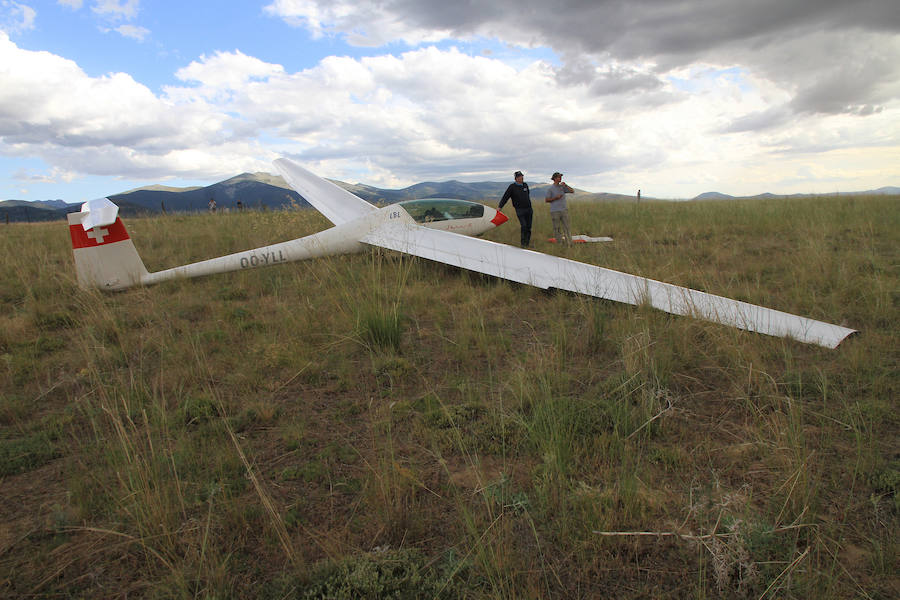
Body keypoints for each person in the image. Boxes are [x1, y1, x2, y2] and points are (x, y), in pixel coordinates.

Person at [499, 170, 533, 247]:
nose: (522, 178)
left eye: (522, 176)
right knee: (524, 225)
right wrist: (500, 207)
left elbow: (527, 194)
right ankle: (523, 244)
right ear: (516, 178)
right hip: (520, 209)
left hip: (529, 209)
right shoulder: (512, 187)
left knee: (529, 227)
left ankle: (527, 244)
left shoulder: (525, 185)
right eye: (520, 177)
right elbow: (505, 197)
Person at [545, 172, 574, 246]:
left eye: (560, 177)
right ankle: (560, 244)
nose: (560, 178)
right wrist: (555, 198)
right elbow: (547, 200)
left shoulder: (562, 187)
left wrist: (566, 185)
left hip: (564, 210)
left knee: (567, 227)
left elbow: (572, 191)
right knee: (557, 229)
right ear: (554, 178)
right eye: (558, 177)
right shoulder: (550, 189)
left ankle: (569, 243)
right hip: (555, 211)